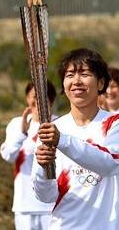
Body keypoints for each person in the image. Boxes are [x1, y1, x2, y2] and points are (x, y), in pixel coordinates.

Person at [32, 48, 119, 229]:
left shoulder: (113, 124)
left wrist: (62, 141)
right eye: (70, 75)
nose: (76, 81)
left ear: (101, 83)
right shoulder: (52, 130)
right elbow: (46, 196)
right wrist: (42, 168)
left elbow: (110, 163)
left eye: (85, 74)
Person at [0, 80, 57, 230]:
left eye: (43, 96)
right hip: (24, 203)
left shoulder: (60, 124)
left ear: (51, 100)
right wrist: (22, 133)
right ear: (27, 98)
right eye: (34, 96)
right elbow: (8, 156)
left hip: (52, 204)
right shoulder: (17, 124)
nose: (37, 100)